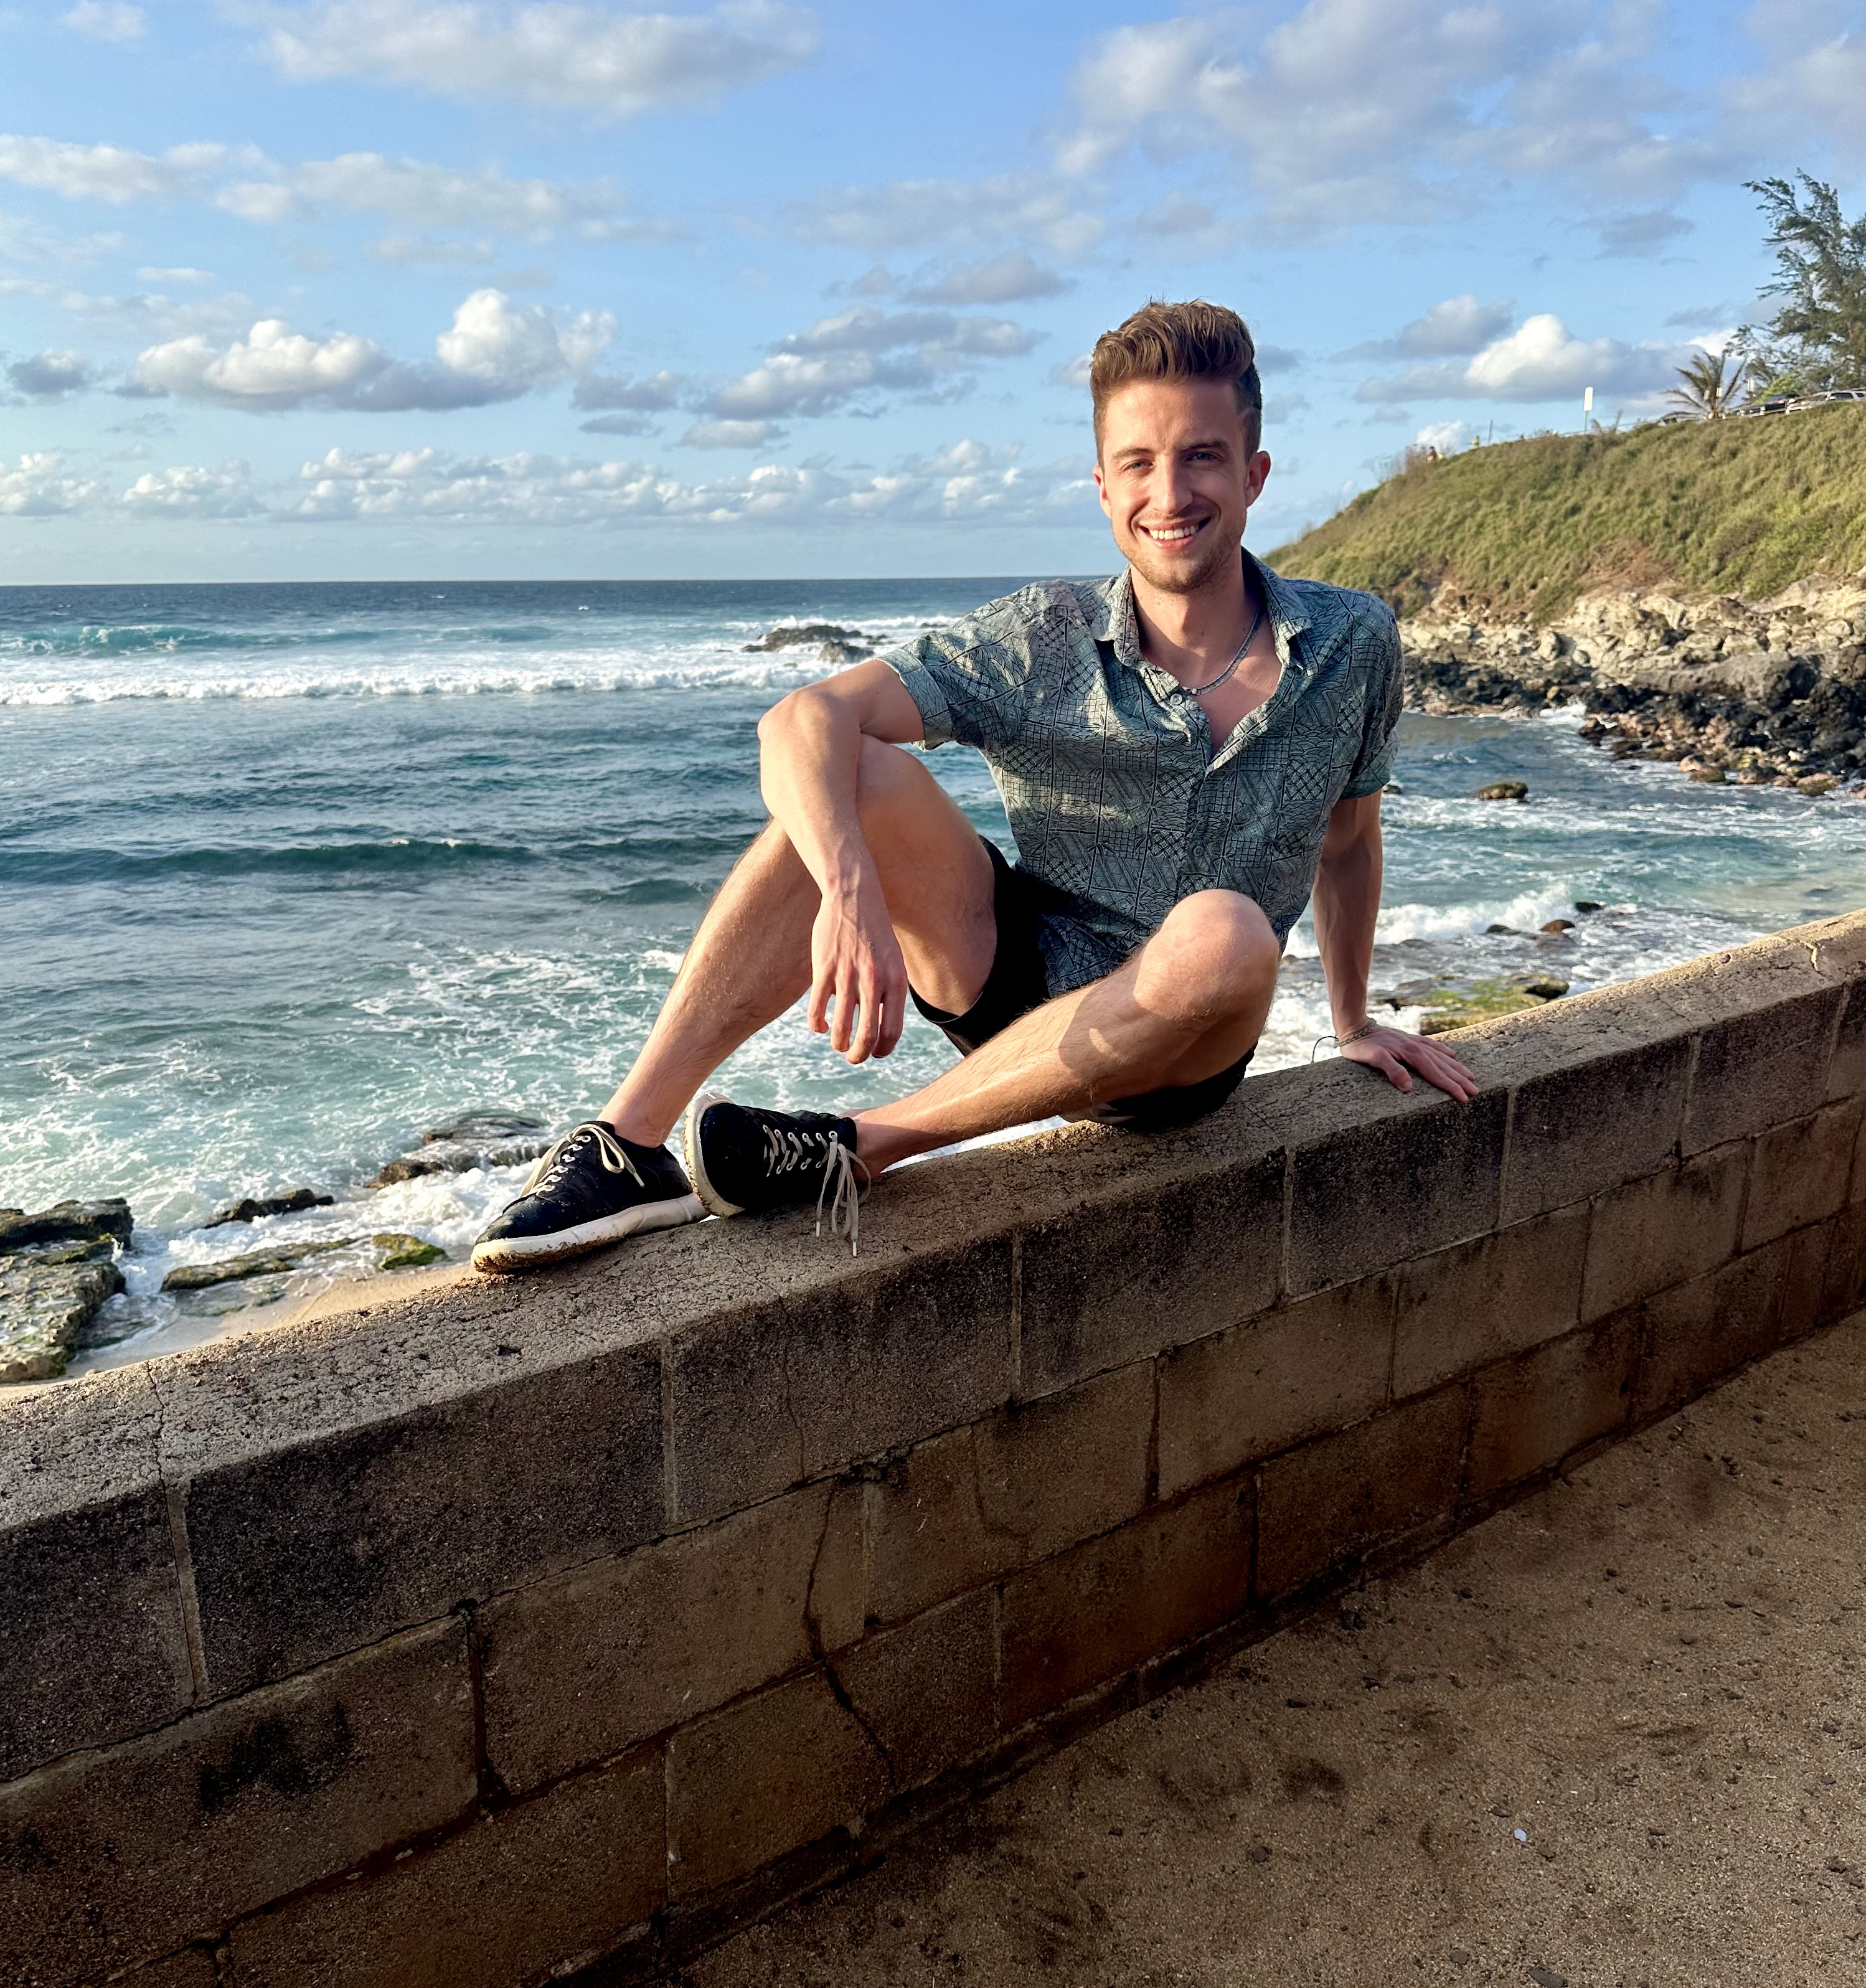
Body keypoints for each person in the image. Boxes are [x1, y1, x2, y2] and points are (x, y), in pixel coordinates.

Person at [471, 298, 1476, 1274]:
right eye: (1138, 463)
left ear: (1254, 473)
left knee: (1223, 930)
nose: (1168, 494)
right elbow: (802, 717)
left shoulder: (1352, 643)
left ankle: (865, 1142)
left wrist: (1352, 1023)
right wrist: (852, 888)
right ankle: (629, 1144)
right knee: (854, 772)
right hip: (1016, 979)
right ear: (1101, 486)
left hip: (1185, 1050)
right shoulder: (1039, 636)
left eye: (1201, 456)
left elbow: (1347, 841)